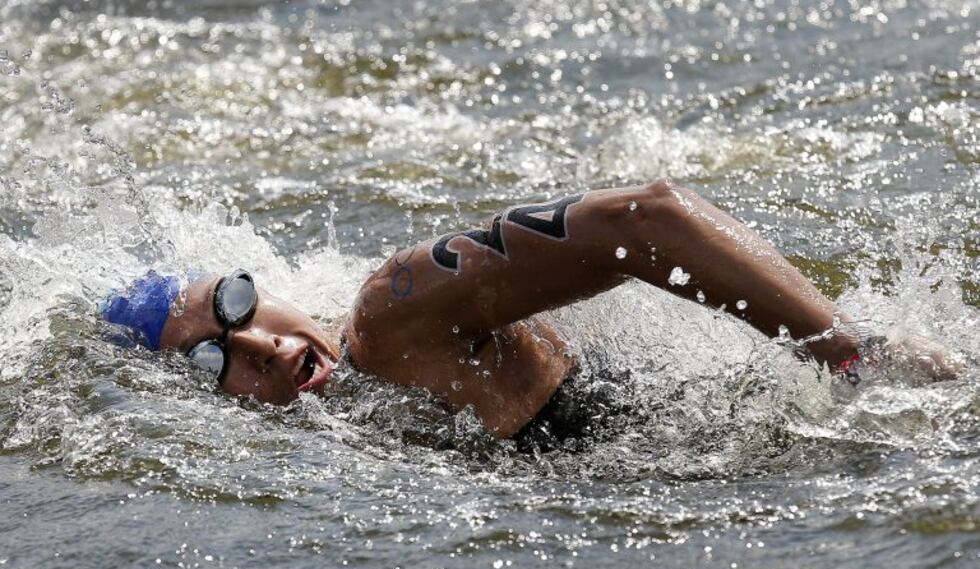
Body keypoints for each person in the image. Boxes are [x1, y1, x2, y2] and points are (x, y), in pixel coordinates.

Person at [100, 180, 962, 440]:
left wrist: (850, 356)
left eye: (236, 304)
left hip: (874, 434)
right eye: (210, 362)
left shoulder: (389, 318)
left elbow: (644, 216)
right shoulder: (349, 428)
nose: (261, 346)